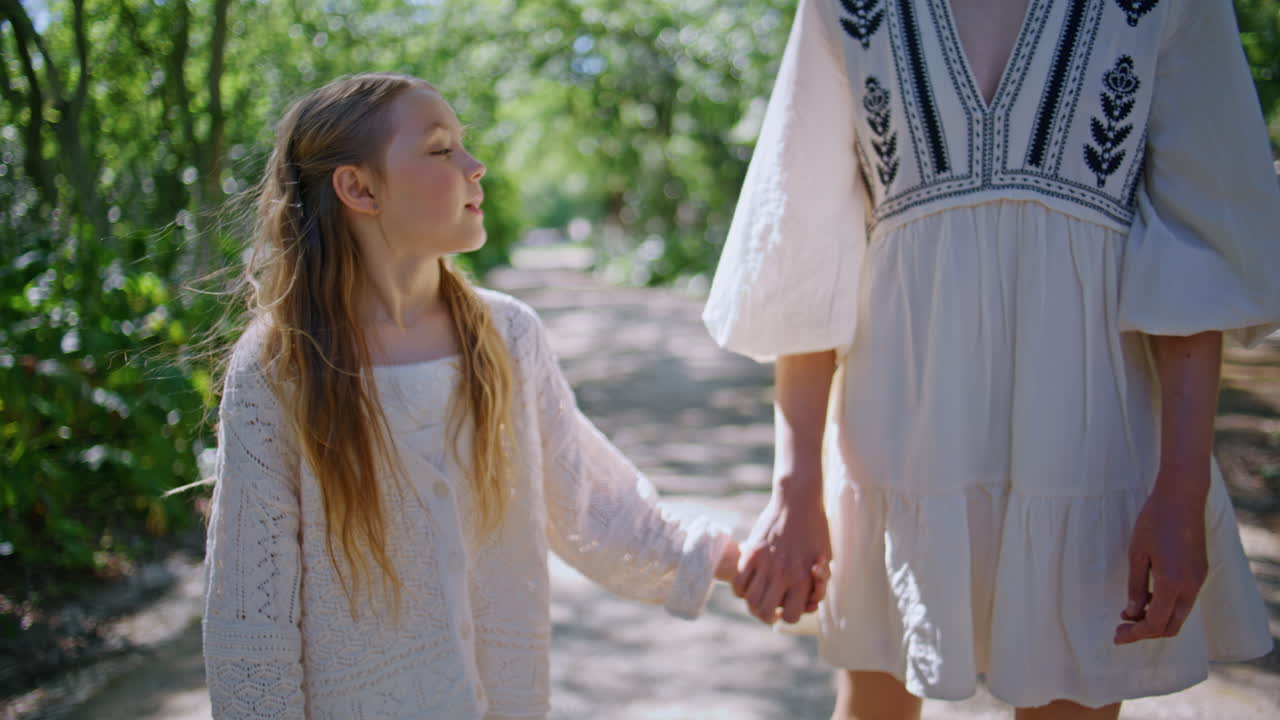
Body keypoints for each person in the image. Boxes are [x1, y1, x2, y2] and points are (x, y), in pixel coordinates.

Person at [705, 0, 1278, 718]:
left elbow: (1199, 249)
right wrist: (794, 494)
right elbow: (801, 250)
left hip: (1090, 440)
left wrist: (1183, 489)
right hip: (899, 435)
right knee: (874, 703)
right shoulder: (846, 9)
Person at [202, 72, 739, 719]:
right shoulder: (278, 368)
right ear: (359, 187)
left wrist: (728, 558)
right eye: (440, 149)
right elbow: (252, 621)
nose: (475, 165)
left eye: (464, 145)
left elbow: (594, 503)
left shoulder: (506, 335)